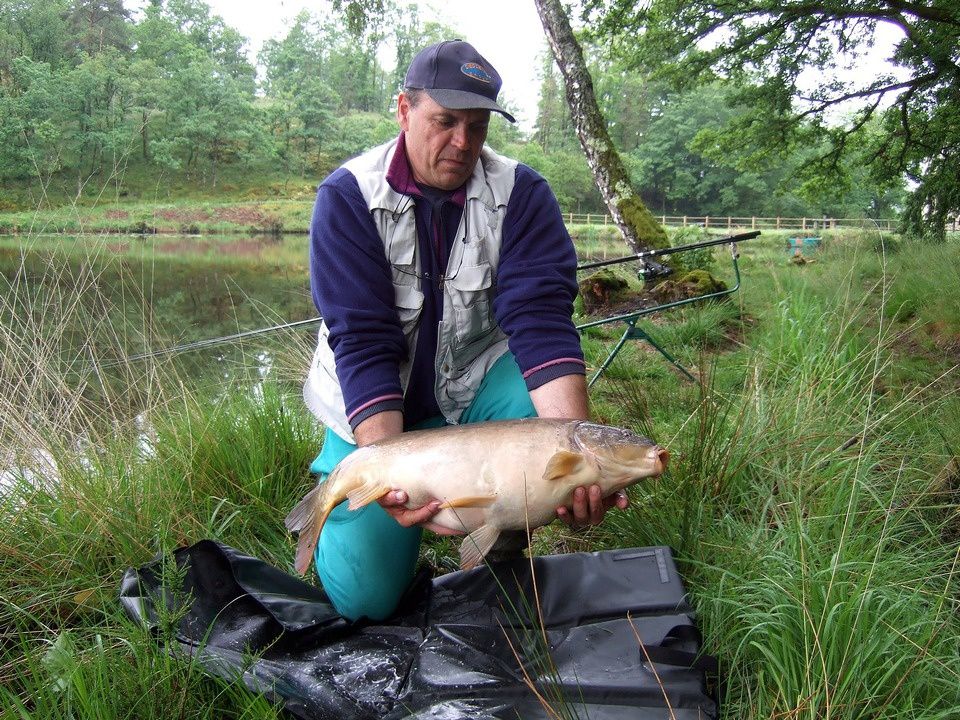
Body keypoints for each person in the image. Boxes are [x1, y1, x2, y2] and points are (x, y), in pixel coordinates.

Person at [302, 40, 628, 621]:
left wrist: (574, 453)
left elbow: (542, 322)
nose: (462, 144)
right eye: (444, 122)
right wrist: (384, 466)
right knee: (365, 601)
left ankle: (498, 536)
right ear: (404, 110)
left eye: (476, 128)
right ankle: (346, 490)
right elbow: (363, 342)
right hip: (374, 410)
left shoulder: (522, 193)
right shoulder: (348, 196)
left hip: (472, 388)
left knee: (549, 430)